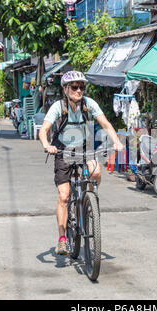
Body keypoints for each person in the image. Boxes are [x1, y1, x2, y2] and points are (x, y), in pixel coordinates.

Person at [39, 70, 124, 255]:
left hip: (85, 147)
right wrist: (47, 145)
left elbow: (106, 124)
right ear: (65, 89)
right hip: (62, 150)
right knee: (64, 196)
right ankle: (62, 239)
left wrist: (116, 141)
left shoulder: (89, 104)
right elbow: (44, 130)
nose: (79, 91)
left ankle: (91, 198)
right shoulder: (57, 107)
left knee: (96, 172)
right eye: (75, 87)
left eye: (82, 87)